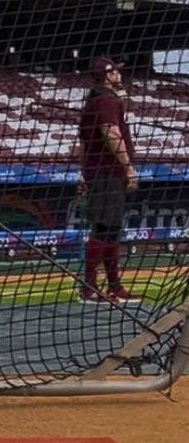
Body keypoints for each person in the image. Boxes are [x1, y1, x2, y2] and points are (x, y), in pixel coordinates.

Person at [75, 58, 142, 305]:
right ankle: (89, 287)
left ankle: (114, 287)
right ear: (107, 74)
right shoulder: (107, 100)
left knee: (111, 228)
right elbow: (110, 133)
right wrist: (129, 169)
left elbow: (82, 144)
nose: (119, 74)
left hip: (98, 173)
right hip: (108, 174)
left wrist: (83, 174)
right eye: (115, 70)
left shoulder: (93, 100)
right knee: (104, 228)